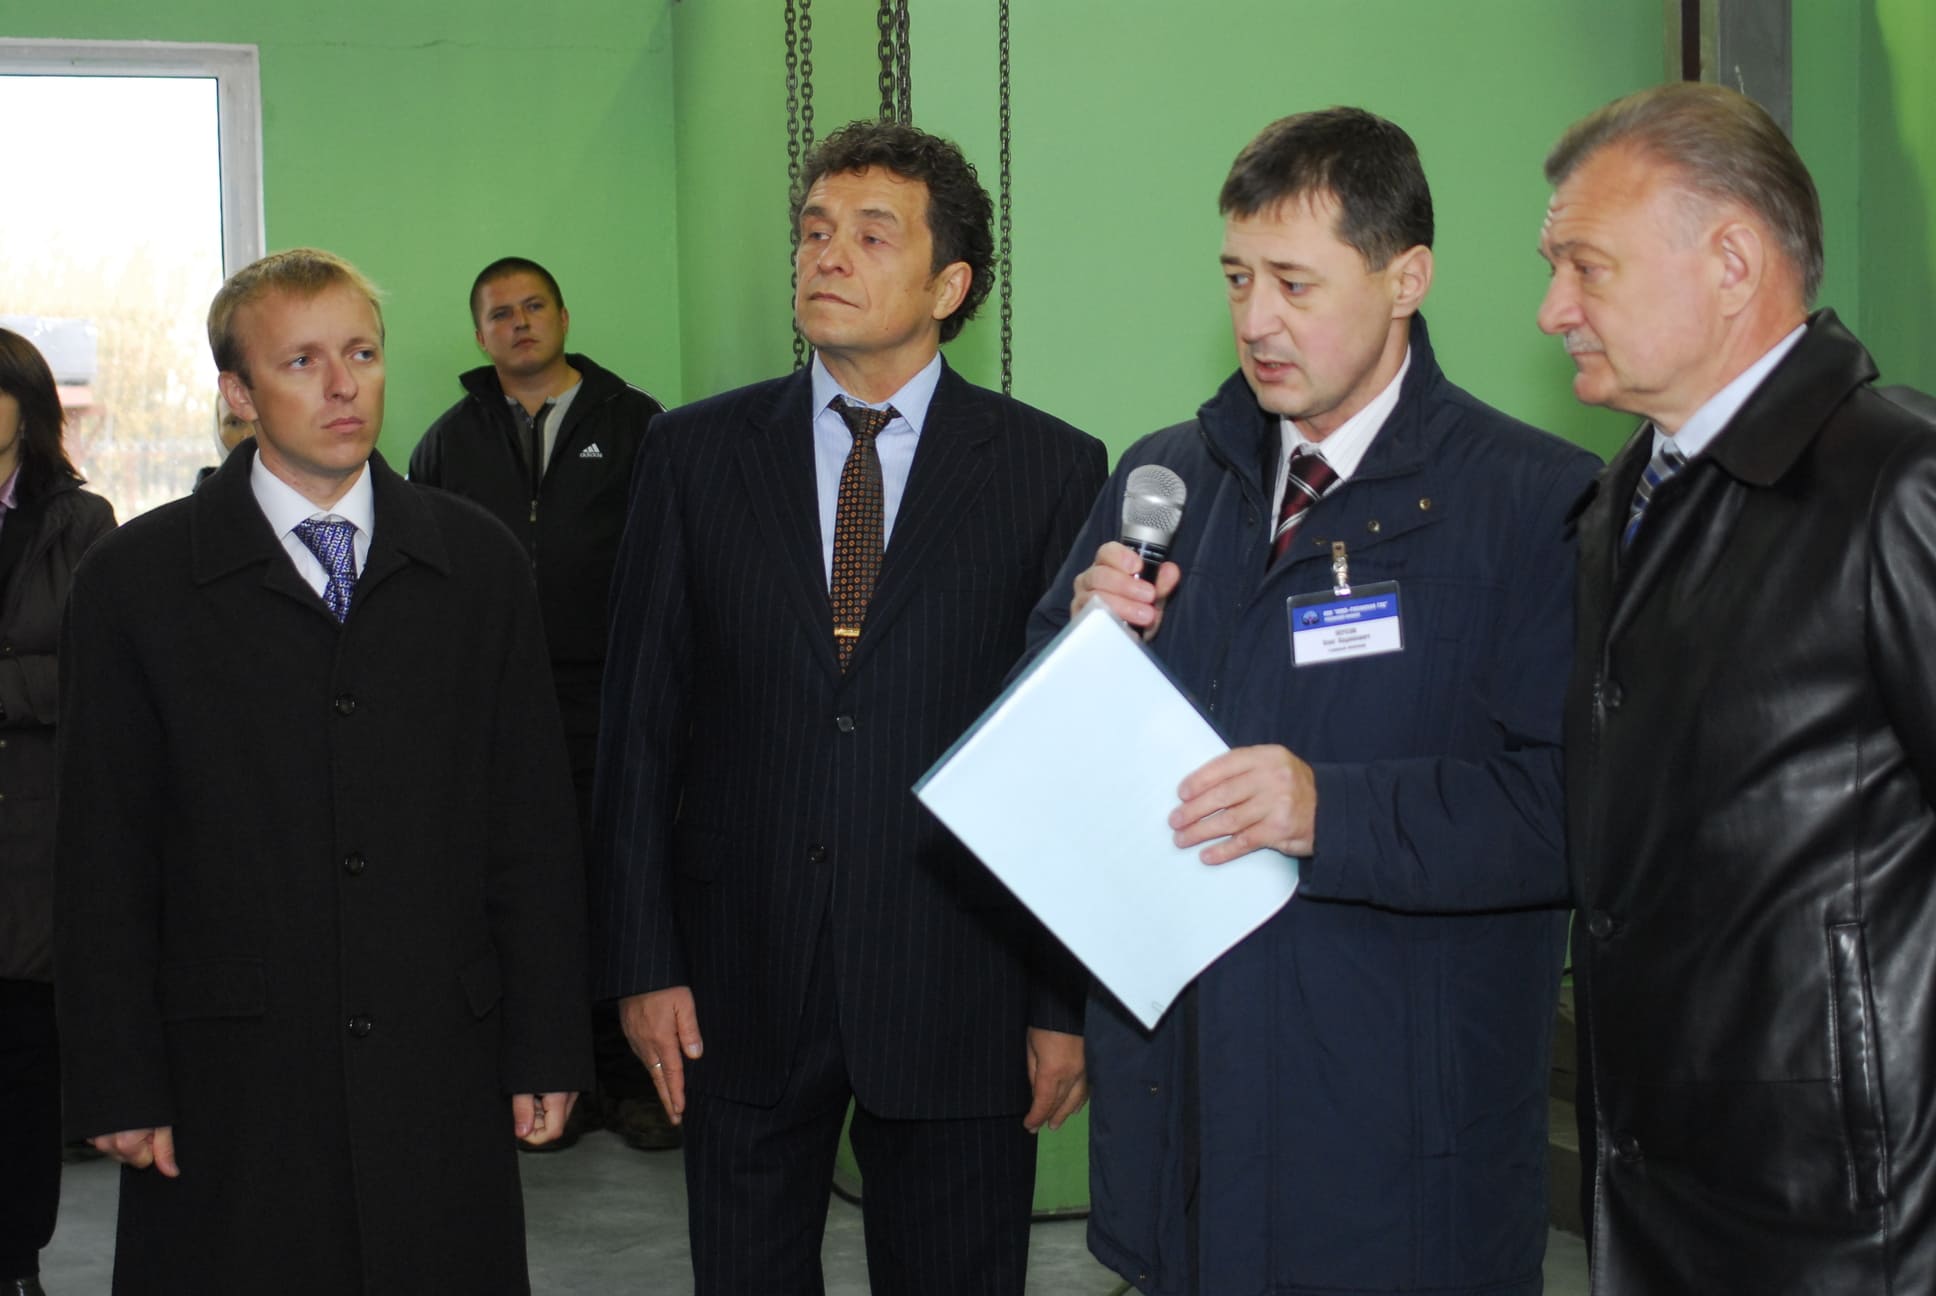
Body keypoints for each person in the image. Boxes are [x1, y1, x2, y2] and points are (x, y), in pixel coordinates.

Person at [1032, 108, 1599, 1295]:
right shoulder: (1167, 480)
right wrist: (1077, 659)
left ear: (1406, 279)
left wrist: (1327, 813)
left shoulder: (1535, 505)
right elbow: (1045, 771)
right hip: (1186, 1131)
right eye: (1236, 277)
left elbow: (1571, 814)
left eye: (1294, 283)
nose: (1254, 320)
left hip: (1399, 1165)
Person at [593, 120, 1107, 1294]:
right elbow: (640, 732)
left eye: (873, 235)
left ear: (947, 285)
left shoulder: (1049, 469)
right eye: (815, 230)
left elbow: (1064, 762)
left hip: (956, 978)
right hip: (734, 978)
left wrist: (1059, 1001)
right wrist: (641, 962)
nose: (826, 253)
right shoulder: (692, 455)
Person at [54, 248, 591, 1294]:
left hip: (438, 1055)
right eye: (301, 361)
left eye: (362, 354)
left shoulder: (478, 564)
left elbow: (530, 825)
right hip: (230, 1071)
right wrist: (117, 1076)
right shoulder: (136, 582)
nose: (343, 386)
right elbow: (102, 853)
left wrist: (548, 1043)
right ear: (238, 392)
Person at [1543, 82, 1936, 1292]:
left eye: (1586, 268)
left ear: (1729, 262)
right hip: (1665, 1183)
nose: (1552, 310)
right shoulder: (1626, 501)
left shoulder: (1895, 484)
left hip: (1842, 1215)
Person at [410, 257, 668, 1149]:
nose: (518, 323)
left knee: (616, 881)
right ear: (479, 334)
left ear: (562, 316)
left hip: (612, 692)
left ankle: (631, 1080)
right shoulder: (447, 442)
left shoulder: (635, 424)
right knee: (524, 889)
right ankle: (551, 1080)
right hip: (492, 702)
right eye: (499, 313)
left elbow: (666, 556)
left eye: (533, 306)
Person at [0, 328, 115, 1296]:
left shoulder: (80, 522)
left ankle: (18, 1259)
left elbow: (97, 674)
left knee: (22, 1066)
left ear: (26, 406)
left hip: (31, 836)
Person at [193, 392, 254, 489]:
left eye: (261, 421)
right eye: (234, 423)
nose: (249, 435)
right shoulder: (204, 496)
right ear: (217, 430)